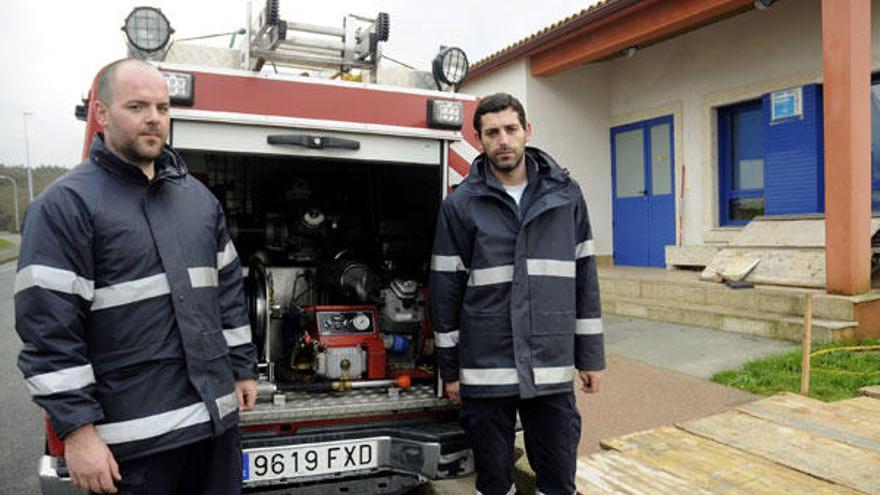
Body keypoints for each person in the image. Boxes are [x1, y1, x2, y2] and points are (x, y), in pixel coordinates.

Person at [14, 58, 257, 494]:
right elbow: (49, 333)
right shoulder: (64, 206)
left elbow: (227, 296)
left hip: (214, 431)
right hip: (132, 448)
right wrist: (78, 432)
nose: (153, 119)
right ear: (101, 114)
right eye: (138, 106)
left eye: (163, 108)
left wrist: (242, 371)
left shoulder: (199, 201)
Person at [429, 93, 605, 495]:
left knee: (559, 481)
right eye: (492, 133)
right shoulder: (460, 205)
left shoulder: (566, 196)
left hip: (550, 370)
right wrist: (450, 370)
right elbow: (445, 293)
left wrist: (591, 357)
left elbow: (585, 279)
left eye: (511, 129)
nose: (503, 140)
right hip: (485, 370)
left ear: (528, 130)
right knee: (493, 483)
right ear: (479, 139)